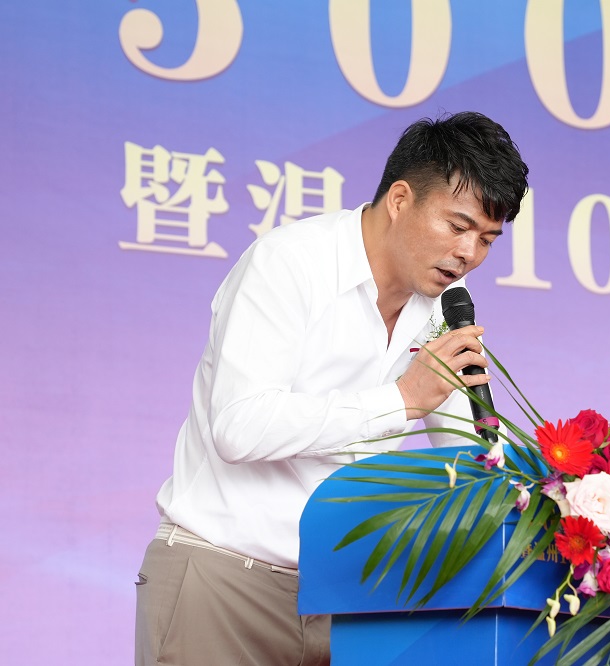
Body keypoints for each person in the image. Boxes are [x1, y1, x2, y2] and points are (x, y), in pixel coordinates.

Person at [134, 111, 530, 666]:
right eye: (458, 226)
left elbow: (472, 454)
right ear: (400, 199)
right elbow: (238, 426)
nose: (469, 254)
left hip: (344, 600)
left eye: (487, 239)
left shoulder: (444, 304)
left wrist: (562, 495)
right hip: (224, 580)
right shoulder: (289, 263)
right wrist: (400, 400)